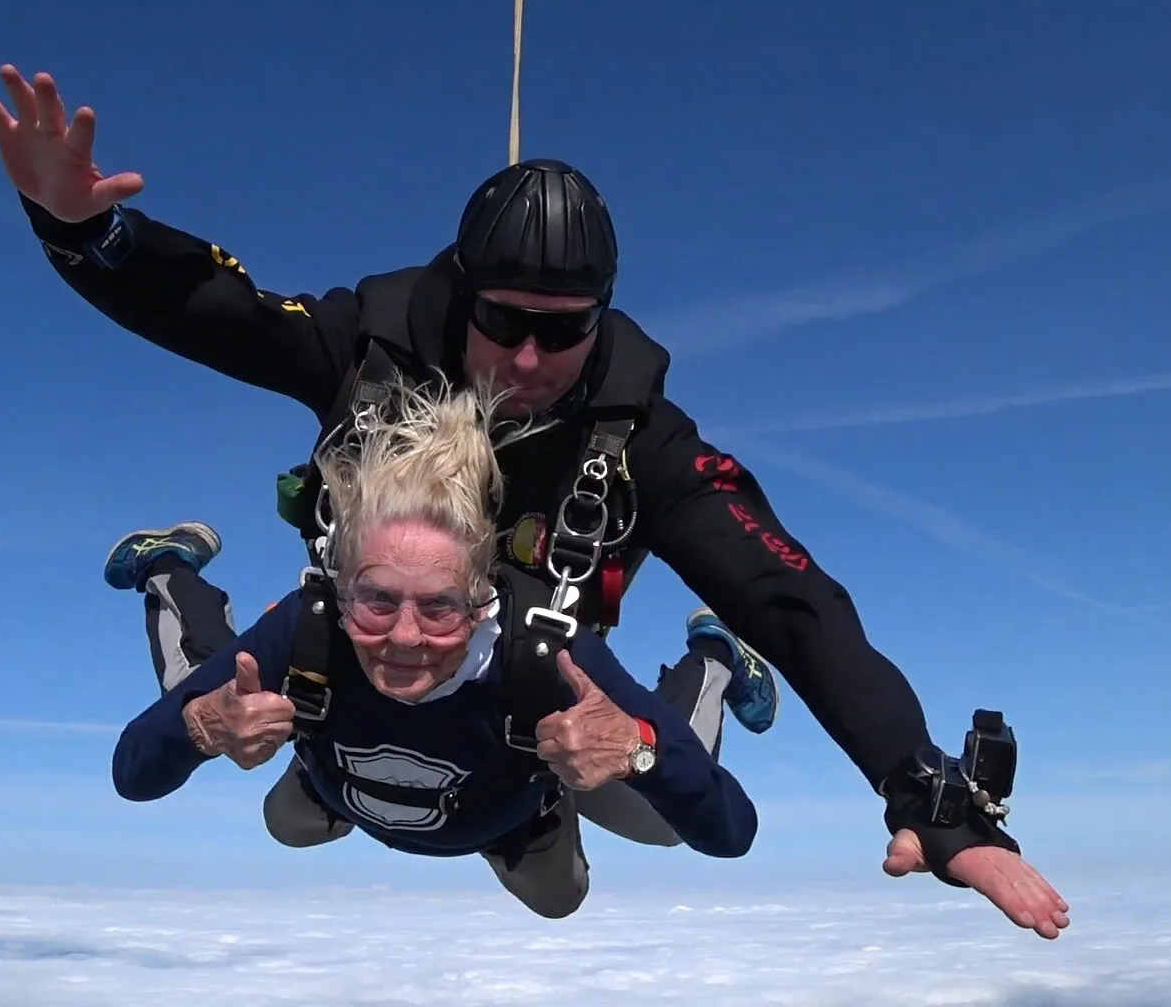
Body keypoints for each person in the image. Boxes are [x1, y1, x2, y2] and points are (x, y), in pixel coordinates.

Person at [0, 64, 1071, 939]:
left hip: (544, 693)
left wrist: (922, 789)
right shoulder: (368, 350)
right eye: (504, 320)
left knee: (643, 831)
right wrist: (86, 234)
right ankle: (176, 578)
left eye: (565, 329)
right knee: (269, 783)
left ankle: (694, 677)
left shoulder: (642, 443)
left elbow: (794, 599)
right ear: (461, 297)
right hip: (363, 656)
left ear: (603, 317)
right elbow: (225, 314)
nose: (530, 359)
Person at [111, 378, 757, 919]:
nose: (404, 637)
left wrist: (637, 750)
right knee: (273, 801)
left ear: (482, 600)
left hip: (509, 812)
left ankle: (714, 654)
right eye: (377, 600)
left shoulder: (544, 654)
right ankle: (168, 568)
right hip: (344, 789)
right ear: (341, 587)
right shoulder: (312, 628)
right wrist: (202, 724)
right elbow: (133, 774)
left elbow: (730, 830)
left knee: (580, 883)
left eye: (440, 607)